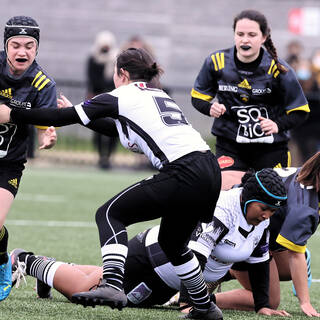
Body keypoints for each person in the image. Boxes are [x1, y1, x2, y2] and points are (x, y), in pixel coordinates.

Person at [0, 48, 223, 320]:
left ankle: (113, 285)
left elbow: (60, 118)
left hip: (184, 171)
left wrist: (12, 114)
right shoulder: (158, 96)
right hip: (209, 170)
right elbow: (121, 132)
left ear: (122, 74)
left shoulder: (123, 94)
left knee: (109, 213)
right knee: (173, 244)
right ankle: (205, 307)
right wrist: (75, 111)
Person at [10, 168, 288, 317]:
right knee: (87, 292)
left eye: (273, 211)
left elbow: (259, 262)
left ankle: (55, 269)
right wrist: (192, 305)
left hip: (168, 279)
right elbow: (195, 258)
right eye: (264, 208)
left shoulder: (261, 221)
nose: (267, 216)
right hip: (149, 260)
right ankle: (28, 261)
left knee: (97, 282)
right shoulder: (222, 209)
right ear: (248, 198)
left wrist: (263, 305)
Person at [190, 9, 309, 190]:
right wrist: (210, 108)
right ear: (234, 35)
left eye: (252, 34)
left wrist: (277, 125)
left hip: (271, 147)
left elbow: (300, 111)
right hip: (230, 144)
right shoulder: (216, 61)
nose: (245, 40)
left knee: (269, 196)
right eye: (240, 34)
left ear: (263, 37)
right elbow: (198, 98)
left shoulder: (278, 69)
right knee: (227, 192)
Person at [211, 153, 320, 317]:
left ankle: (228, 269)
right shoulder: (304, 208)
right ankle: (203, 297)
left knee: (289, 270)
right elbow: (295, 256)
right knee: (269, 300)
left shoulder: (308, 173)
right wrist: (305, 302)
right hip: (238, 229)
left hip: (263, 232)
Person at [0, 15, 57, 301]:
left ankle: (1, 261)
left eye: (29, 45)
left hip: (8, 163)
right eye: (15, 45)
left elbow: (47, 121)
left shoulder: (43, 84)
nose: (22, 51)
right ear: (6, 46)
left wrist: (48, 133)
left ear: (37, 48)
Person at [86, 30, 118, 169]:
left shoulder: (116, 59)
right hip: (97, 98)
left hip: (113, 98)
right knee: (98, 128)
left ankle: (109, 157)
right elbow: (92, 79)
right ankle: (101, 156)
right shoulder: (93, 59)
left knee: (114, 129)